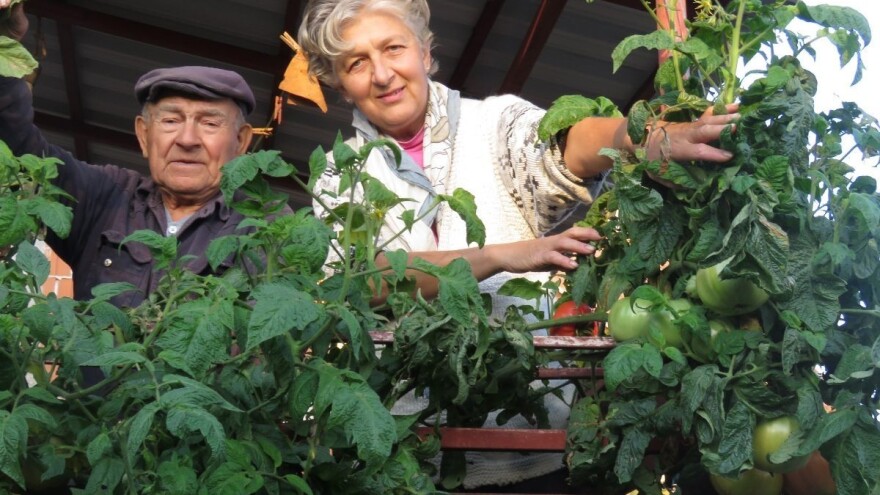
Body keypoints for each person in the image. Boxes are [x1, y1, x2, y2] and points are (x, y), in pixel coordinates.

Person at [297, 0, 739, 491]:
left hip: (532, 447)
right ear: (337, 82)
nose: (382, 74)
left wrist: (638, 137)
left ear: (424, 50)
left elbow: (562, 145)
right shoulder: (341, 173)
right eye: (357, 63)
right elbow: (364, 280)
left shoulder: (493, 124)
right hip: (407, 453)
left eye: (393, 48)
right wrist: (495, 256)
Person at [0, 2, 271, 309]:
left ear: (242, 141)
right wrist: (4, 47)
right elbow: (20, 153)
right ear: (143, 135)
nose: (187, 139)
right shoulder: (106, 198)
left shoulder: (266, 227)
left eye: (209, 123)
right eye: (170, 120)